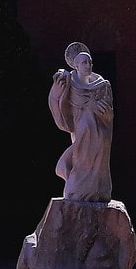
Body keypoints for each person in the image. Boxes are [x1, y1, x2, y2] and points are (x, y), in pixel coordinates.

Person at [48, 41, 113, 203]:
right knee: (82, 154)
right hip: (81, 128)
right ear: (76, 65)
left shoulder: (102, 85)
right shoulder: (70, 82)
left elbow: (109, 113)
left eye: (90, 61)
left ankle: (99, 191)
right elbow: (54, 100)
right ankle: (76, 188)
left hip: (101, 131)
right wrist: (57, 88)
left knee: (100, 155)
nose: (88, 65)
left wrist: (106, 113)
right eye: (84, 62)